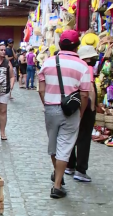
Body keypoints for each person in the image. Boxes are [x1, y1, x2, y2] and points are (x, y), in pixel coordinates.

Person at [38, 30, 90, 199]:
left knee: (53, 145)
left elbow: (41, 89)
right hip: (71, 111)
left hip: (50, 109)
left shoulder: (48, 62)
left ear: (60, 44)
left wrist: (46, 104)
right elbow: (84, 94)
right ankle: (57, 186)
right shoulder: (82, 66)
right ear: (77, 46)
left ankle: (57, 174)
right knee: (65, 146)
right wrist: (80, 113)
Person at [65, 45, 98, 182]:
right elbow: (90, 89)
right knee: (84, 138)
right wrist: (92, 107)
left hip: (74, 103)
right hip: (85, 104)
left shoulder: (76, 66)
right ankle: (81, 169)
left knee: (73, 135)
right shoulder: (88, 68)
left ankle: (70, 165)